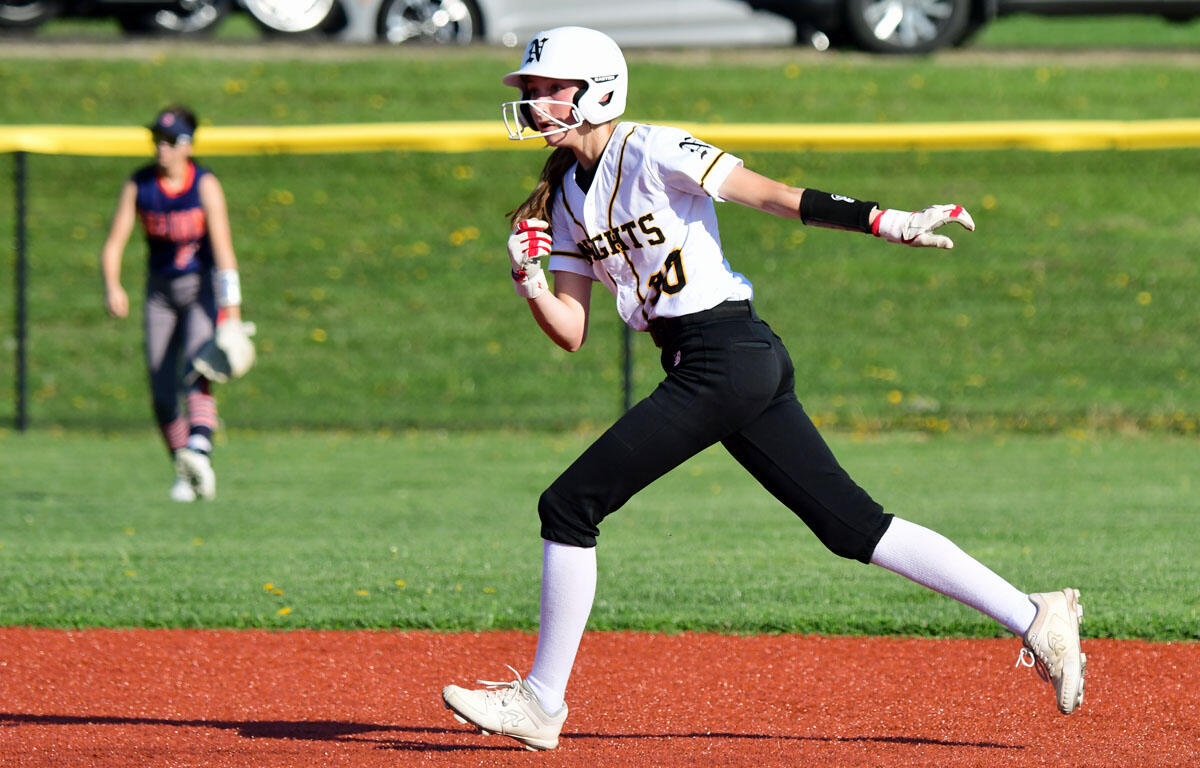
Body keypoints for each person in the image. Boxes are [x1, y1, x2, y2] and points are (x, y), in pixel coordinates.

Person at [442, 27, 1086, 751]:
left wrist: (886, 220)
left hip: (729, 353)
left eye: (545, 88)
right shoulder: (563, 190)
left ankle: (540, 702)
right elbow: (570, 331)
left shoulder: (651, 147)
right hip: (713, 363)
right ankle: (1037, 614)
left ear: (599, 90)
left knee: (569, 504)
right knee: (852, 527)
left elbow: (775, 196)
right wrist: (528, 281)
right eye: (529, 91)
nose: (533, 102)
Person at [100, 105, 252, 503]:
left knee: (197, 368)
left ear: (186, 145)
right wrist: (112, 285)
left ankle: (200, 451)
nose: (160, 149)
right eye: (157, 140)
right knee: (161, 391)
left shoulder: (204, 184)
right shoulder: (140, 185)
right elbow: (115, 242)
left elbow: (224, 252)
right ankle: (186, 468)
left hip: (200, 287)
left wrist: (231, 312)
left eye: (168, 142)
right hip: (161, 293)